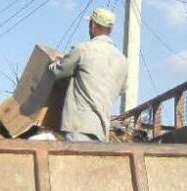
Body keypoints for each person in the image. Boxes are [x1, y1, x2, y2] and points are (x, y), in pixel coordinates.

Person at [48, 8, 128, 142]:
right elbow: (122, 89)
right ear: (111, 30)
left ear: (93, 25)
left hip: (79, 126)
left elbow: (58, 72)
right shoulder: (122, 60)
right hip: (102, 131)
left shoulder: (83, 49)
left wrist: (53, 63)